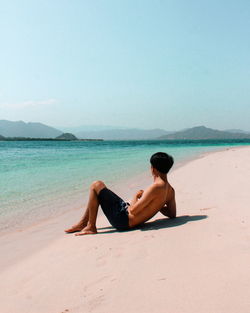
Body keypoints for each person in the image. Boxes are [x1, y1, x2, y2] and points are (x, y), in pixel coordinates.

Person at [65, 152, 176, 235]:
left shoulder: (156, 187)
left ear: (153, 169)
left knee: (96, 185)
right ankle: (83, 223)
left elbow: (132, 210)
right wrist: (158, 205)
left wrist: (135, 196)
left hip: (123, 220)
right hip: (128, 219)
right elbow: (172, 214)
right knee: (100, 189)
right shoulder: (170, 190)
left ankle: (91, 226)